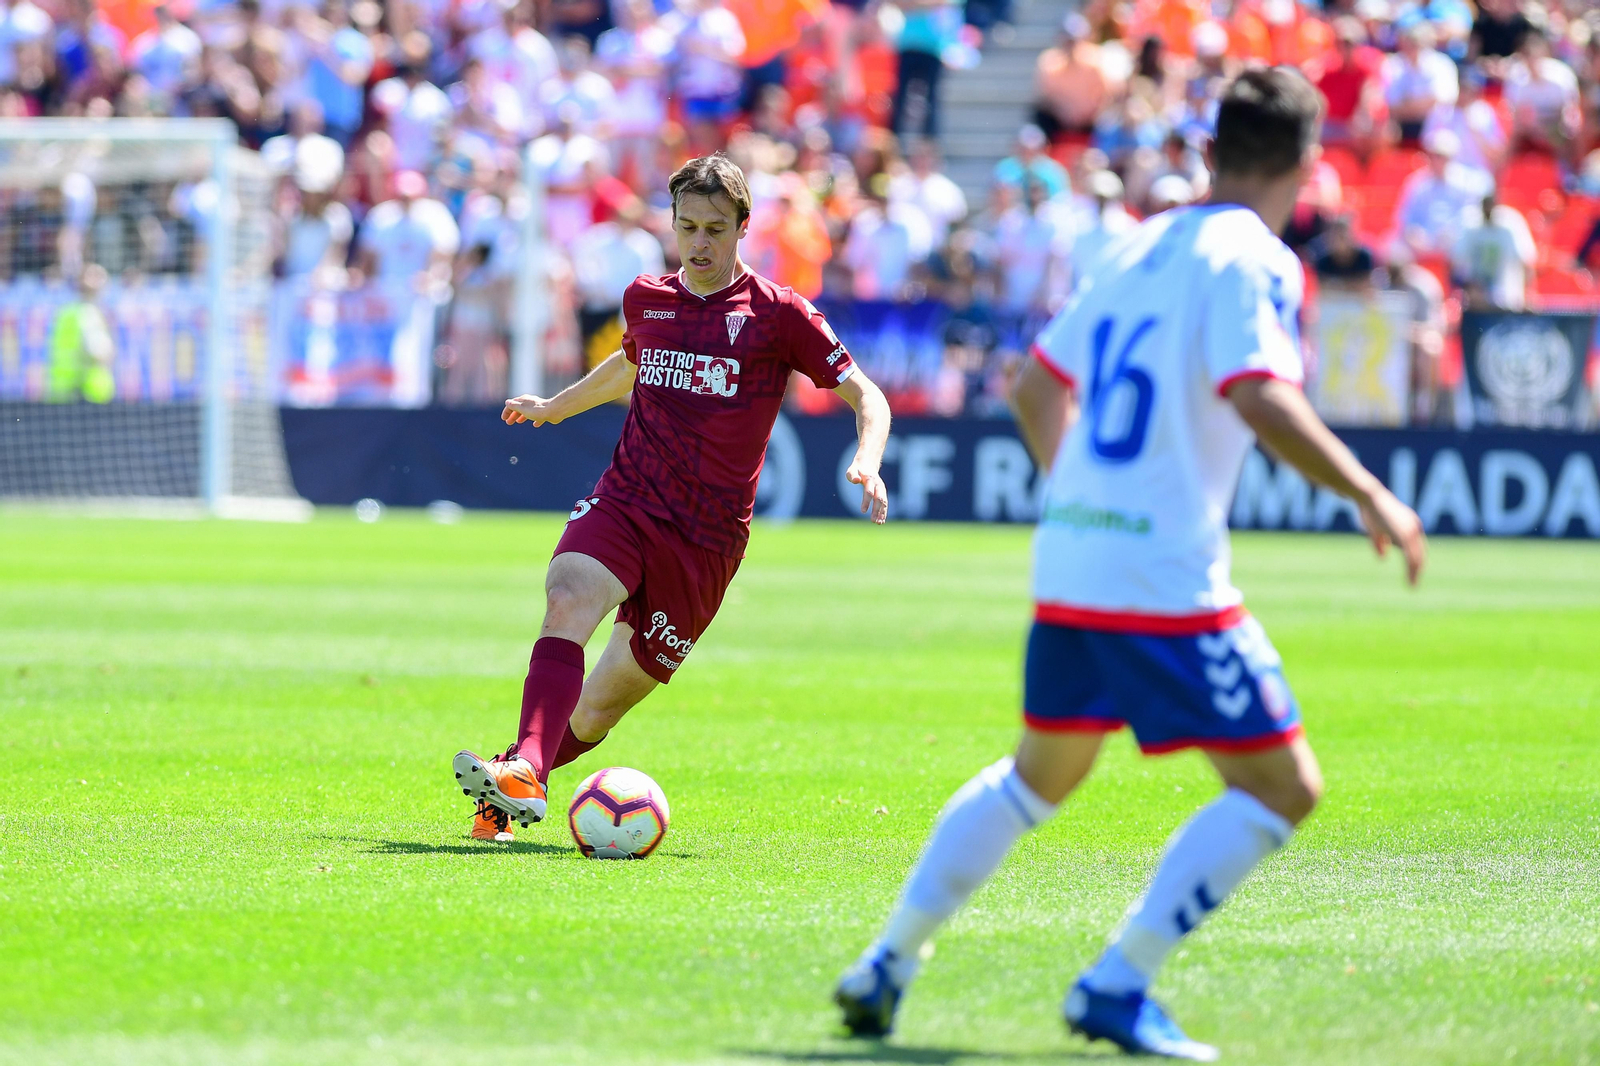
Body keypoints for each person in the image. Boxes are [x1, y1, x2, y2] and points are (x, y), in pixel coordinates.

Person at [834, 68, 1427, 1059]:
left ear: (1211, 151)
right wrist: (1368, 490)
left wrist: (1081, 498)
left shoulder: (1136, 245)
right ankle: (1117, 982)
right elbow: (1258, 391)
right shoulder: (1255, 257)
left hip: (1076, 551)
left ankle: (885, 961)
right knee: (1282, 787)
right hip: (1162, 574)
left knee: (1037, 777)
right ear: (1307, 163)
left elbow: (1033, 388)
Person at [453, 154, 892, 841]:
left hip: (705, 542)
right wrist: (556, 407)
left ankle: (512, 781)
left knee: (597, 709)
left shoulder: (779, 314)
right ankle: (527, 770)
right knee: (568, 594)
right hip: (628, 500)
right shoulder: (647, 297)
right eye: (687, 227)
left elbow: (867, 395)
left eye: (715, 229)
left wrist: (867, 459)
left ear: (743, 227)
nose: (699, 243)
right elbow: (632, 359)